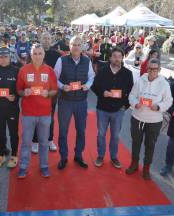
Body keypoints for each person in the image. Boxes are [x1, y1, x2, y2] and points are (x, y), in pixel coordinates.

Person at [16, 43, 58, 178]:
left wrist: (48, 93)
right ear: (31, 55)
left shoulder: (49, 70)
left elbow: (54, 90)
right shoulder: (23, 70)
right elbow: (18, 90)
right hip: (28, 113)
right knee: (26, 142)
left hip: (45, 113)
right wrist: (24, 92)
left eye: (40, 53)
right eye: (35, 53)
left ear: (44, 54)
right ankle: (23, 167)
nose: (37, 56)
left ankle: (44, 166)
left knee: (44, 142)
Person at [126, 59, 173, 180]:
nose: (152, 71)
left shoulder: (164, 84)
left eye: (155, 69)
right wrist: (135, 103)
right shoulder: (140, 80)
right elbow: (132, 95)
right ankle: (134, 164)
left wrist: (159, 107)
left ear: (159, 70)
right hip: (138, 117)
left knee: (150, 145)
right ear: (147, 69)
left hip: (154, 120)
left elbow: (169, 101)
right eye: (150, 69)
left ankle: (146, 168)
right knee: (136, 142)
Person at [55, 36, 95, 170]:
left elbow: (91, 76)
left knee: (81, 131)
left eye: (78, 44)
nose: (76, 47)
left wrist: (88, 85)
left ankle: (78, 155)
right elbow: (54, 78)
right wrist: (62, 86)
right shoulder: (61, 60)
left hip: (81, 102)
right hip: (65, 101)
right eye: (74, 44)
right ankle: (63, 157)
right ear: (69, 46)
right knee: (63, 131)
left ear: (82, 46)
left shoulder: (87, 60)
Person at [91, 48, 134, 168]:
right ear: (110, 58)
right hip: (102, 109)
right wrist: (102, 92)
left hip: (118, 110)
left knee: (115, 136)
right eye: (114, 56)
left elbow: (131, 91)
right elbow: (94, 86)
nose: (116, 59)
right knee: (101, 134)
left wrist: (125, 106)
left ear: (122, 58)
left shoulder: (127, 73)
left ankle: (114, 157)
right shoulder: (102, 71)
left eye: (119, 56)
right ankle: (100, 155)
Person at [0, 47, 20, 168]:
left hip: (12, 108)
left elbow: (20, 89)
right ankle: (1, 154)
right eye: (0, 57)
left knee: (13, 133)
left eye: (5, 57)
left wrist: (15, 96)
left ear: (9, 57)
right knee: (0, 133)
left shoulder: (16, 71)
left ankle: (14, 155)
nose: (3, 59)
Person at [31, 32, 61, 154]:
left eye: (48, 38)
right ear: (40, 39)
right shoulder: (34, 52)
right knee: (35, 117)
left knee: (50, 118)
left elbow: (59, 73)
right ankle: (35, 141)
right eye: (44, 38)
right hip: (36, 91)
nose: (46, 40)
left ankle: (49, 140)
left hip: (50, 92)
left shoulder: (56, 55)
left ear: (51, 39)